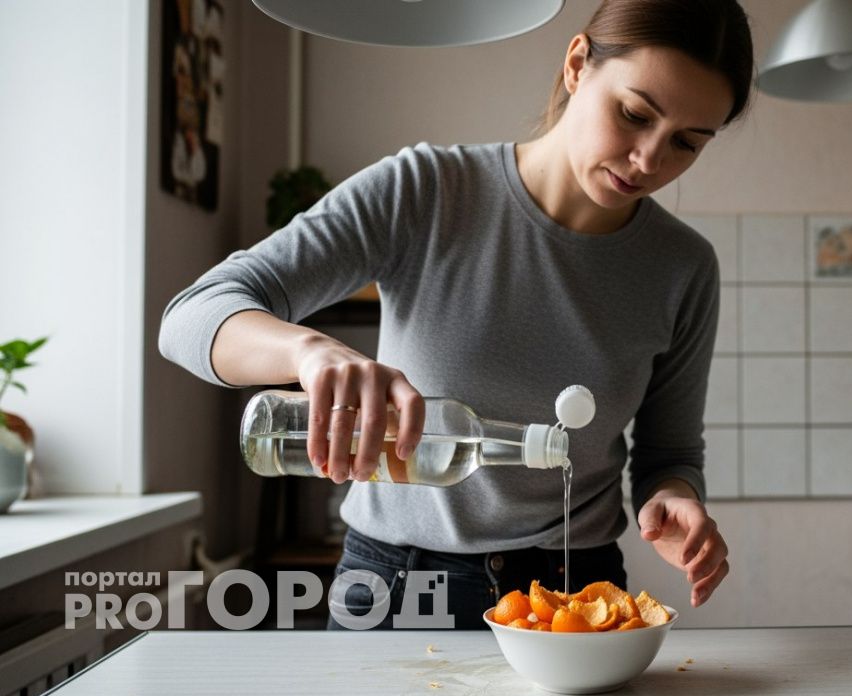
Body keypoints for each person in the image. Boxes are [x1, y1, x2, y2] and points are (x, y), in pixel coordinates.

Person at [159, 0, 752, 629]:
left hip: (577, 595)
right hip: (395, 587)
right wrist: (309, 353)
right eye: (634, 114)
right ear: (578, 64)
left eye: (687, 142)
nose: (649, 161)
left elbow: (669, 452)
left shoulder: (683, 268)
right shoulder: (427, 191)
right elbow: (191, 317)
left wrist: (675, 500)